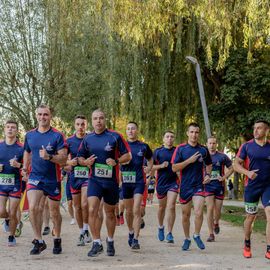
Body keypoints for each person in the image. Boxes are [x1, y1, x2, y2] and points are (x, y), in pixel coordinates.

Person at [78, 108, 131, 257]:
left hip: (111, 182)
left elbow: (127, 156)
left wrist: (116, 161)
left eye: (101, 118)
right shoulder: (87, 139)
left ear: (105, 119)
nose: (98, 121)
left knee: (109, 213)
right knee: (92, 209)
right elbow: (80, 158)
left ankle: (110, 240)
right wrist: (85, 161)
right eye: (95, 118)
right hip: (94, 180)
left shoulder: (115, 136)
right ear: (92, 121)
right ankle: (96, 242)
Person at [22, 104, 67, 255]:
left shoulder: (57, 135)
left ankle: (57, 237)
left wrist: (49, 157)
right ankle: (39, 240)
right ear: (36, 116)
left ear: (50, 117)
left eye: (45, 114)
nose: (42, 117)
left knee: (54, 212)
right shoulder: (29, 135)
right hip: (35, 177)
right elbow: (27, 152)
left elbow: (63, 159)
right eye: (40, 114)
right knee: (33, 207)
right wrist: (24, 168)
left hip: (53, 179)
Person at [172, 123, 212, 251]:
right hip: (185, 186)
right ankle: (187, 238)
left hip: (198, 185)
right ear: (187, 133)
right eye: (192, 132)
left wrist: (207, 174)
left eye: (196, 132)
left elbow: (209, 165)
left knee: (199, 212)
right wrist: (189, 161)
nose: (194, 135)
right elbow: (174, 168)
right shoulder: (180, 149)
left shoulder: (203, 150)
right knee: (185, 215)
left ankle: (196, 234)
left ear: (199, 134)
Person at [234, 119, 270, 259]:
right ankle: (247, 243)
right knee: (251, 217)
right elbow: (236, 164)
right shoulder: (246, 146)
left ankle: (269, 249)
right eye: (254, 128)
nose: (255, 131)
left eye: (259, 128)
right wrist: (247, 172)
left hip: (268, 186)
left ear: (266, 131)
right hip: (252, 187)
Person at [121, 122, 153, 249]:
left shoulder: (143, 146)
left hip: (139, 182)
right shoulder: (121, 146)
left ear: (137, 130)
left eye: (133, 128)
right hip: (126, 182)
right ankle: (130, 231)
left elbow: (151, 159)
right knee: (128, 211)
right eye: (128, 129)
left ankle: (135, 239)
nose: (130, 131)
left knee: (136, 209)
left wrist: (149, 168)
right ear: (126, 131)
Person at [66, 115, 91, 246]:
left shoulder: (91, 139)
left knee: (85, 204)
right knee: (77, 207)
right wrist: (69, 162)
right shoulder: (69, 141)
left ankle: (87, 229)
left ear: (86, 125)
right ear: (74, 125)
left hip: (88, 176)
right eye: (78, 124)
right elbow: (62, 160)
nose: (80, 127)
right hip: (74, 177)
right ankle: (81, 232)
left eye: (83, 124)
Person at [204, 136, 233, 242]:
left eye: (214, 143)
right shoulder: (203, 156)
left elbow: (232, 168)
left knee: (217, 210)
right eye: (210, 143)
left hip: (219, 186)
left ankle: (216, 222)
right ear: (206, 144)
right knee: (210, 209)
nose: (212, 145)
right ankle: (211, 234)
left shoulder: (222, 156)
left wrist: (224, 177)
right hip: (208, 186)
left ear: (217, 144)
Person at [0, 120, 24, 246]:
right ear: (4, 129)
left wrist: (18, 165)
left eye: (13, 127)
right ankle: (8, 220)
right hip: (1, 184)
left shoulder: (21, 148)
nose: (10, 129)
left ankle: (11, 236)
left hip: (15, 183)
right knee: (1, 211)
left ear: (17, 131)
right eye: (8, 127)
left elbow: (27, 166)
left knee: (13, 211)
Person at [152, 131, 179, 243]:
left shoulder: (177, 151)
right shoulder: (158, 151)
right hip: (161, 183)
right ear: (163, 139)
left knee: (171, 206)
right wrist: (161, 166)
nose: (169, 139)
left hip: (173, 182)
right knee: (162, 208)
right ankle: (160, 227)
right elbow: (150, 166)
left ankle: (170, 233)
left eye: (172, 137)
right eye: (167, 137)